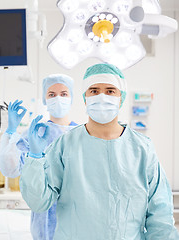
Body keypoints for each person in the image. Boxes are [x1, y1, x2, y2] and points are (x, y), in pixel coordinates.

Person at [20, 63, 179, 239]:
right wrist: (34, 157)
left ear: (121, 97)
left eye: (110, 91)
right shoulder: (65, 145)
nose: (102, 97)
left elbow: (161, 217)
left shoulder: (142, 149)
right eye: (94, 91)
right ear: (85, 97)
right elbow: (38, 202)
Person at [0, 74, 78, 240]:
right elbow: (10, 169)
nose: (58, 98)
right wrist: (11, 130)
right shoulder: (36, 133)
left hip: (79, 216)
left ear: (71, 98)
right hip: (45, 220)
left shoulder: (83, 134)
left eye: (64, 94)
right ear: (44, 100)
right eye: (51, 94)